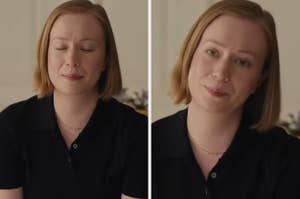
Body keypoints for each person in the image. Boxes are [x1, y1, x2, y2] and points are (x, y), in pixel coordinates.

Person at [153, 0, 300, 198]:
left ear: (260, 79)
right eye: (212, 52)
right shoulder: (144, 146)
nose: (221, 72)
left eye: (242, 62)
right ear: (191, 54)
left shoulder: (289, 160)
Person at [0, 1, 147, 199]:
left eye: (86, 49)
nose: (72, 59)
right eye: (60, 47)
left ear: (106, 59)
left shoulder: (136, 132)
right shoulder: (11, 124)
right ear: (45, 55)